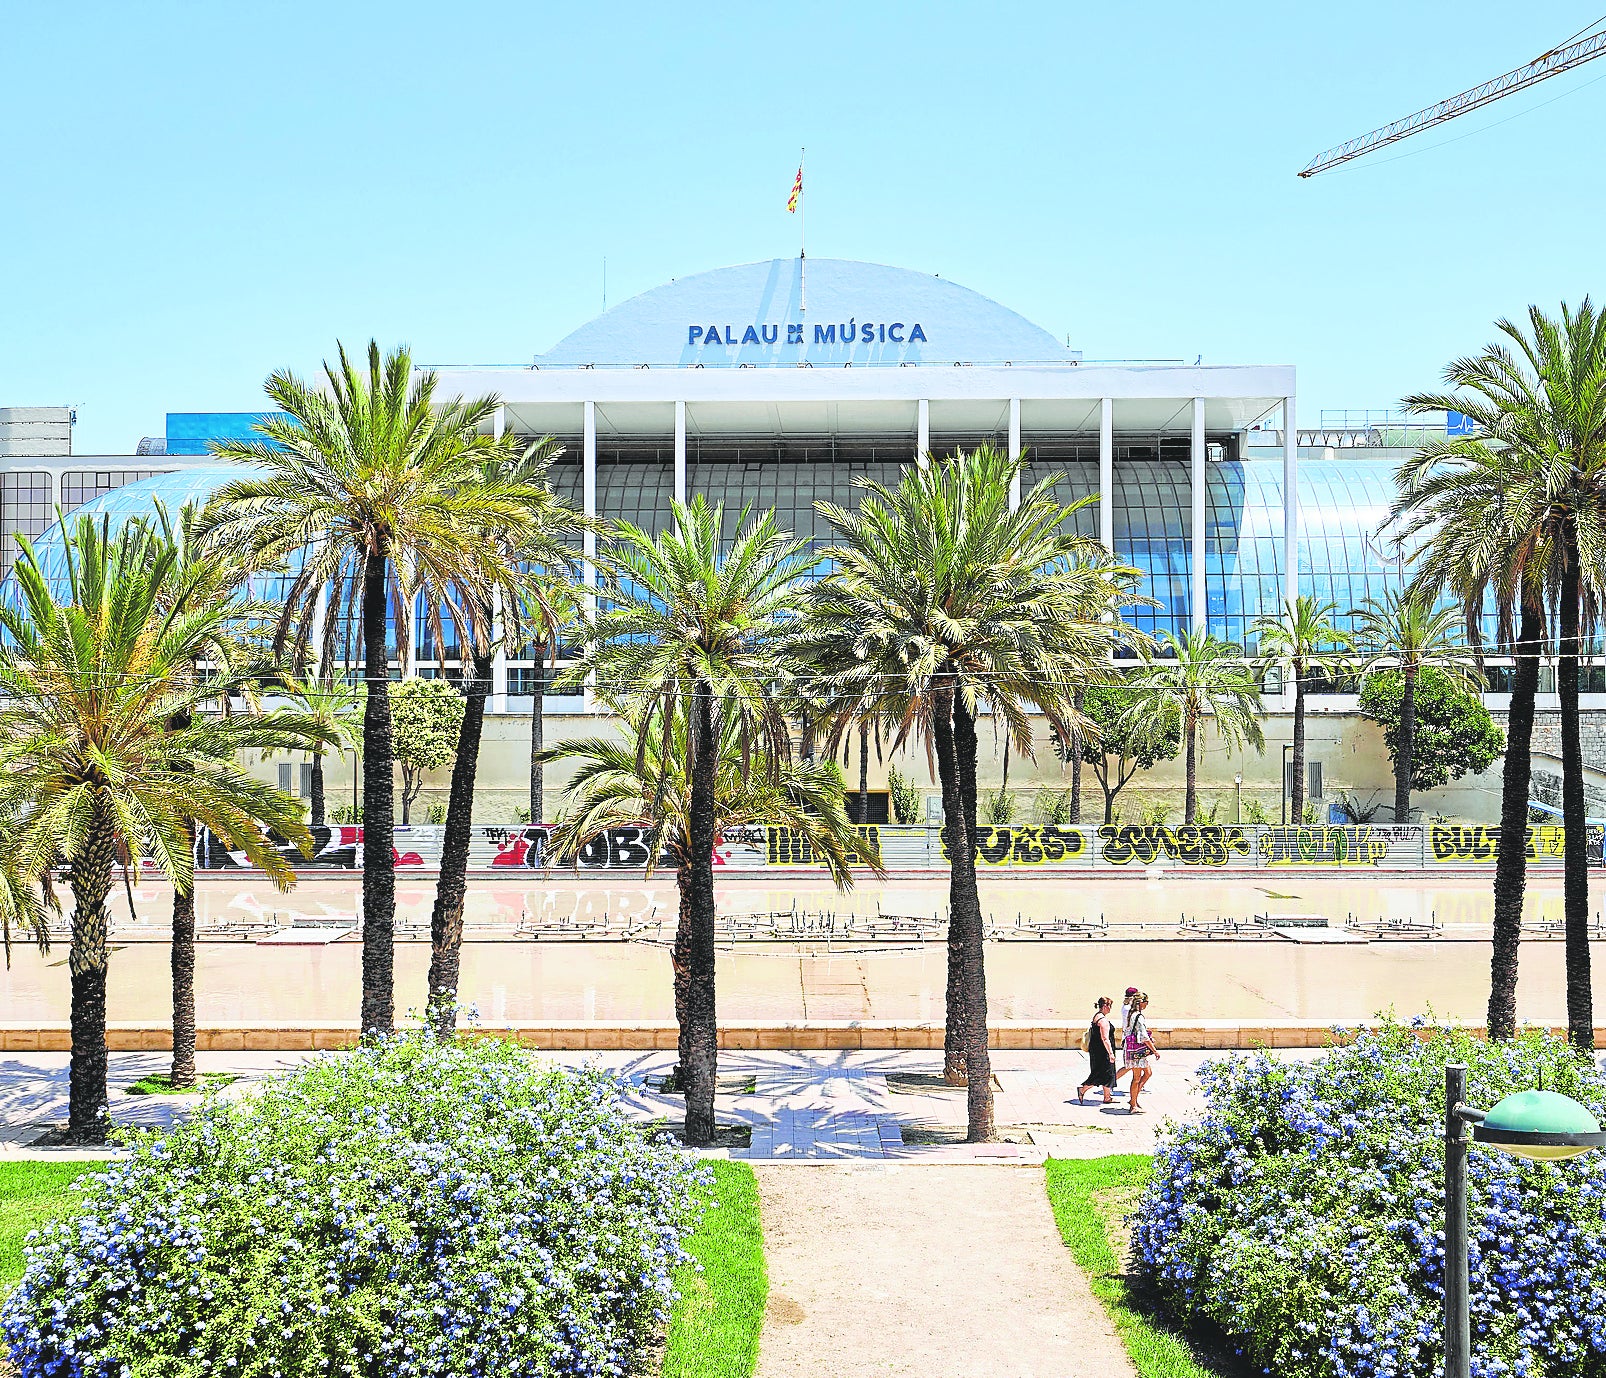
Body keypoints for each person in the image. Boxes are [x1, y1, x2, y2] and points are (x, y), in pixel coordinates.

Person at [1076, 997, 1118, 1105]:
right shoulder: (1103, 1021)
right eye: (1110, 1006)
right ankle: (1082, 1090)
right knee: (1101, 1074)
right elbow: (1105, 1038)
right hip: (1103, 1052)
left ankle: (1107, 1097)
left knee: (1107, 1074)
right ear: (1105, 1006)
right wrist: (1111, 1053)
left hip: (1097, 1051)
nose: (1110, 1009)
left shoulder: (1096, 1016)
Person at [1124, 991, 1159, 1114]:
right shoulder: (1138, 1016)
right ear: (1141, 1003)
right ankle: (1133, 1104)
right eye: (1146, 1002)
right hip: (1136, 1052)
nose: (1147, 1005)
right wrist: (1154, 1051)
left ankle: (1133, 1099)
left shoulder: (1131, 1014)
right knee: (1137, 1078)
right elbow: (1143, 1036)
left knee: (1147, 1072)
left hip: (1132, 1049)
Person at [1112, 986, 1141, 1095]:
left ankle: (1138, 1084)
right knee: (1130, 1066)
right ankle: (1111, 1081)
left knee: (1136, 1065)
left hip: (1129, 1038)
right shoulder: (1129, 1009)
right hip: (1130, 1040)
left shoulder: (1125, 1007)